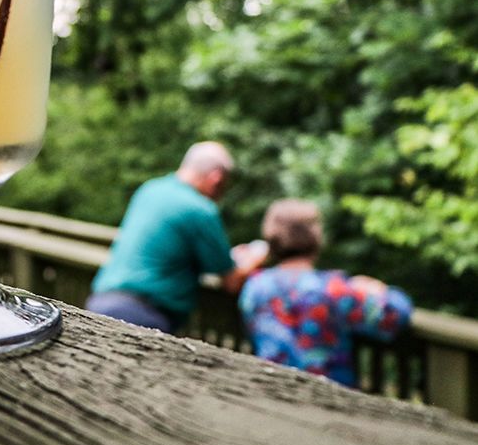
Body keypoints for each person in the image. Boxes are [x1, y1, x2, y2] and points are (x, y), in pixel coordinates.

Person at [85, 142, 261, 333]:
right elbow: (231, 281)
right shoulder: (200, 209)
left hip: (100, 300)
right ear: (216, 178)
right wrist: (258, 255)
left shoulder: (150, 189)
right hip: (143, 317)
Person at [239, 198, 413, 387]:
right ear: (316, 237)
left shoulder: (255, 286)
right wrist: (379, 290)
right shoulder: (333, 289)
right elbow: (397, 314)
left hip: (270, 389)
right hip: (327, 398)